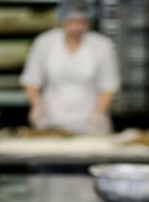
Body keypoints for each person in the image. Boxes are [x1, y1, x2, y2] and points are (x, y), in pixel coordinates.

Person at [20, 0, 120, 134]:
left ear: (89, 22)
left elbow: (109, 85)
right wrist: (37, 106)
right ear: (62, 20)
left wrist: (98, 113)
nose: (76, 28)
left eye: (82, 22)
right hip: (52, 118)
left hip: (89, 118)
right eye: (72, 22)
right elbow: (31, 80)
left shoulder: (102, 46)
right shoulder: (44, 42)